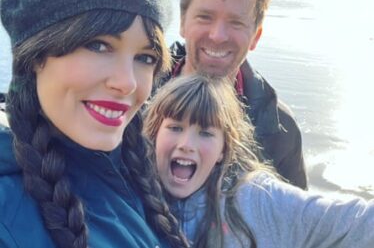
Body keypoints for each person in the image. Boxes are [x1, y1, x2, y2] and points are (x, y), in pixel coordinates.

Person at [0, 0, 189, 247]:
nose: (127, 83)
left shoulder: (131, 170)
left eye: (145, 57)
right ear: (35, 56)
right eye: (98, 45)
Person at [143, 74, 374, 248]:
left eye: (206, 133)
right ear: (154, 134)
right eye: (175, 127)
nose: (187, 144)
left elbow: (354, 222)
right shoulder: (127, 193)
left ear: (224, 149)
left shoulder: (257, 201)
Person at [157, 0, 308, 189]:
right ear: (182, 23)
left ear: (256, 36)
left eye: (236, 22)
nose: (217, 36)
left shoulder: (280, 128)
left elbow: (293, 215)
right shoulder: (133, 97)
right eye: (205, 17)